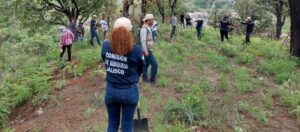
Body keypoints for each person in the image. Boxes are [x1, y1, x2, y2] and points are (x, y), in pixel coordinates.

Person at [101, 17, 144, 132]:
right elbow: (141, 68)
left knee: (112, 123)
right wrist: (134, 77)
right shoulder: (136, 50)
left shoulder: (105, 46)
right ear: (129, 32)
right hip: (129, 91)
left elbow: (106, 62)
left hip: (111, 91)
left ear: (113, 31)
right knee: (127, 125)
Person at [141, 14, 158, 85]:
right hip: (147, 50)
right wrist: (145, 50)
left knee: (146, 65)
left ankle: (144, 78)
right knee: (154, 64)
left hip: (148, 49)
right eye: (152, 19)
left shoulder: (148, 27)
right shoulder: (144, 28)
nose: (153, 21)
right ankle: (152, 80)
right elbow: (143, 40)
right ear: (148, 20)